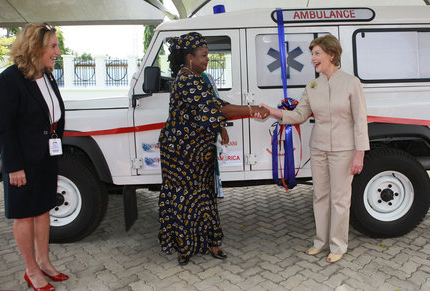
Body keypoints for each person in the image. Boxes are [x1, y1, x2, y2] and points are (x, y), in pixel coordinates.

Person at [158, 32, 269, 265]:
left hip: (198, 149)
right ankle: (184, 248)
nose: (207, 59)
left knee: (205, 197)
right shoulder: (187, 80)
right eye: (204, 55)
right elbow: (216, 108)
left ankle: (212, 243)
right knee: (185, 198)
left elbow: (211, 109)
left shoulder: (197, 77)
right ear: (189, 58)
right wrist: (251, 109)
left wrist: (222, 128)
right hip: (182, 152)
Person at [260, 35, 369, 263]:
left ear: (331, 54)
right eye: (312, 54)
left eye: (317, 53)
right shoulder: (313, 86)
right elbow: (299, 115)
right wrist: (272, 111)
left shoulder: (351, 82)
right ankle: (321, 242)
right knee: (320, 196)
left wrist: (360, 152)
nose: (312, 59)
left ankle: (338, 245)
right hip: (318, 148)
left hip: (343, 149)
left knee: (340, 199)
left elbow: (360, 120)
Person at [0, 23, 68, 290]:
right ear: (35, 48)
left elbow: (53, 114)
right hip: (22, 163)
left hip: (46, 157)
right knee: (25, 215)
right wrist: (14, 167)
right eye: (53, 46)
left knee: (43, 209)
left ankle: (44, 262)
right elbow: (3, 130)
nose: (57, 51)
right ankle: (31, 270)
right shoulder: (8, 81)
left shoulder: (46, 75)